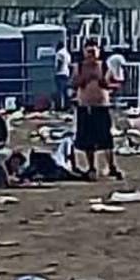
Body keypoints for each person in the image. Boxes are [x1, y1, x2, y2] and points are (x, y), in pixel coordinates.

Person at [71, 40, 122, 179]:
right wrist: (84, 79)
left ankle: (112, 166)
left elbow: (116, 83)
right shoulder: (79, 67)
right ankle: (91, 167)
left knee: (106, 138)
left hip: (102, 106)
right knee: (88, 139)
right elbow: (73, 83)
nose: (91, 55)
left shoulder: (105, 67)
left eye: (94, 52)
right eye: (89, 52)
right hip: (85, 106)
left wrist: (106, 84)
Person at [53, 41, 71, 111]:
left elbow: (60, 62)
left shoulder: (59, 53)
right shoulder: (67, 53)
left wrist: (57, 70)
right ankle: (67, 105)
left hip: (60, 73)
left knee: (59, 91)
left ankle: (59, 106)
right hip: (66, 73)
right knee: (65, 91)